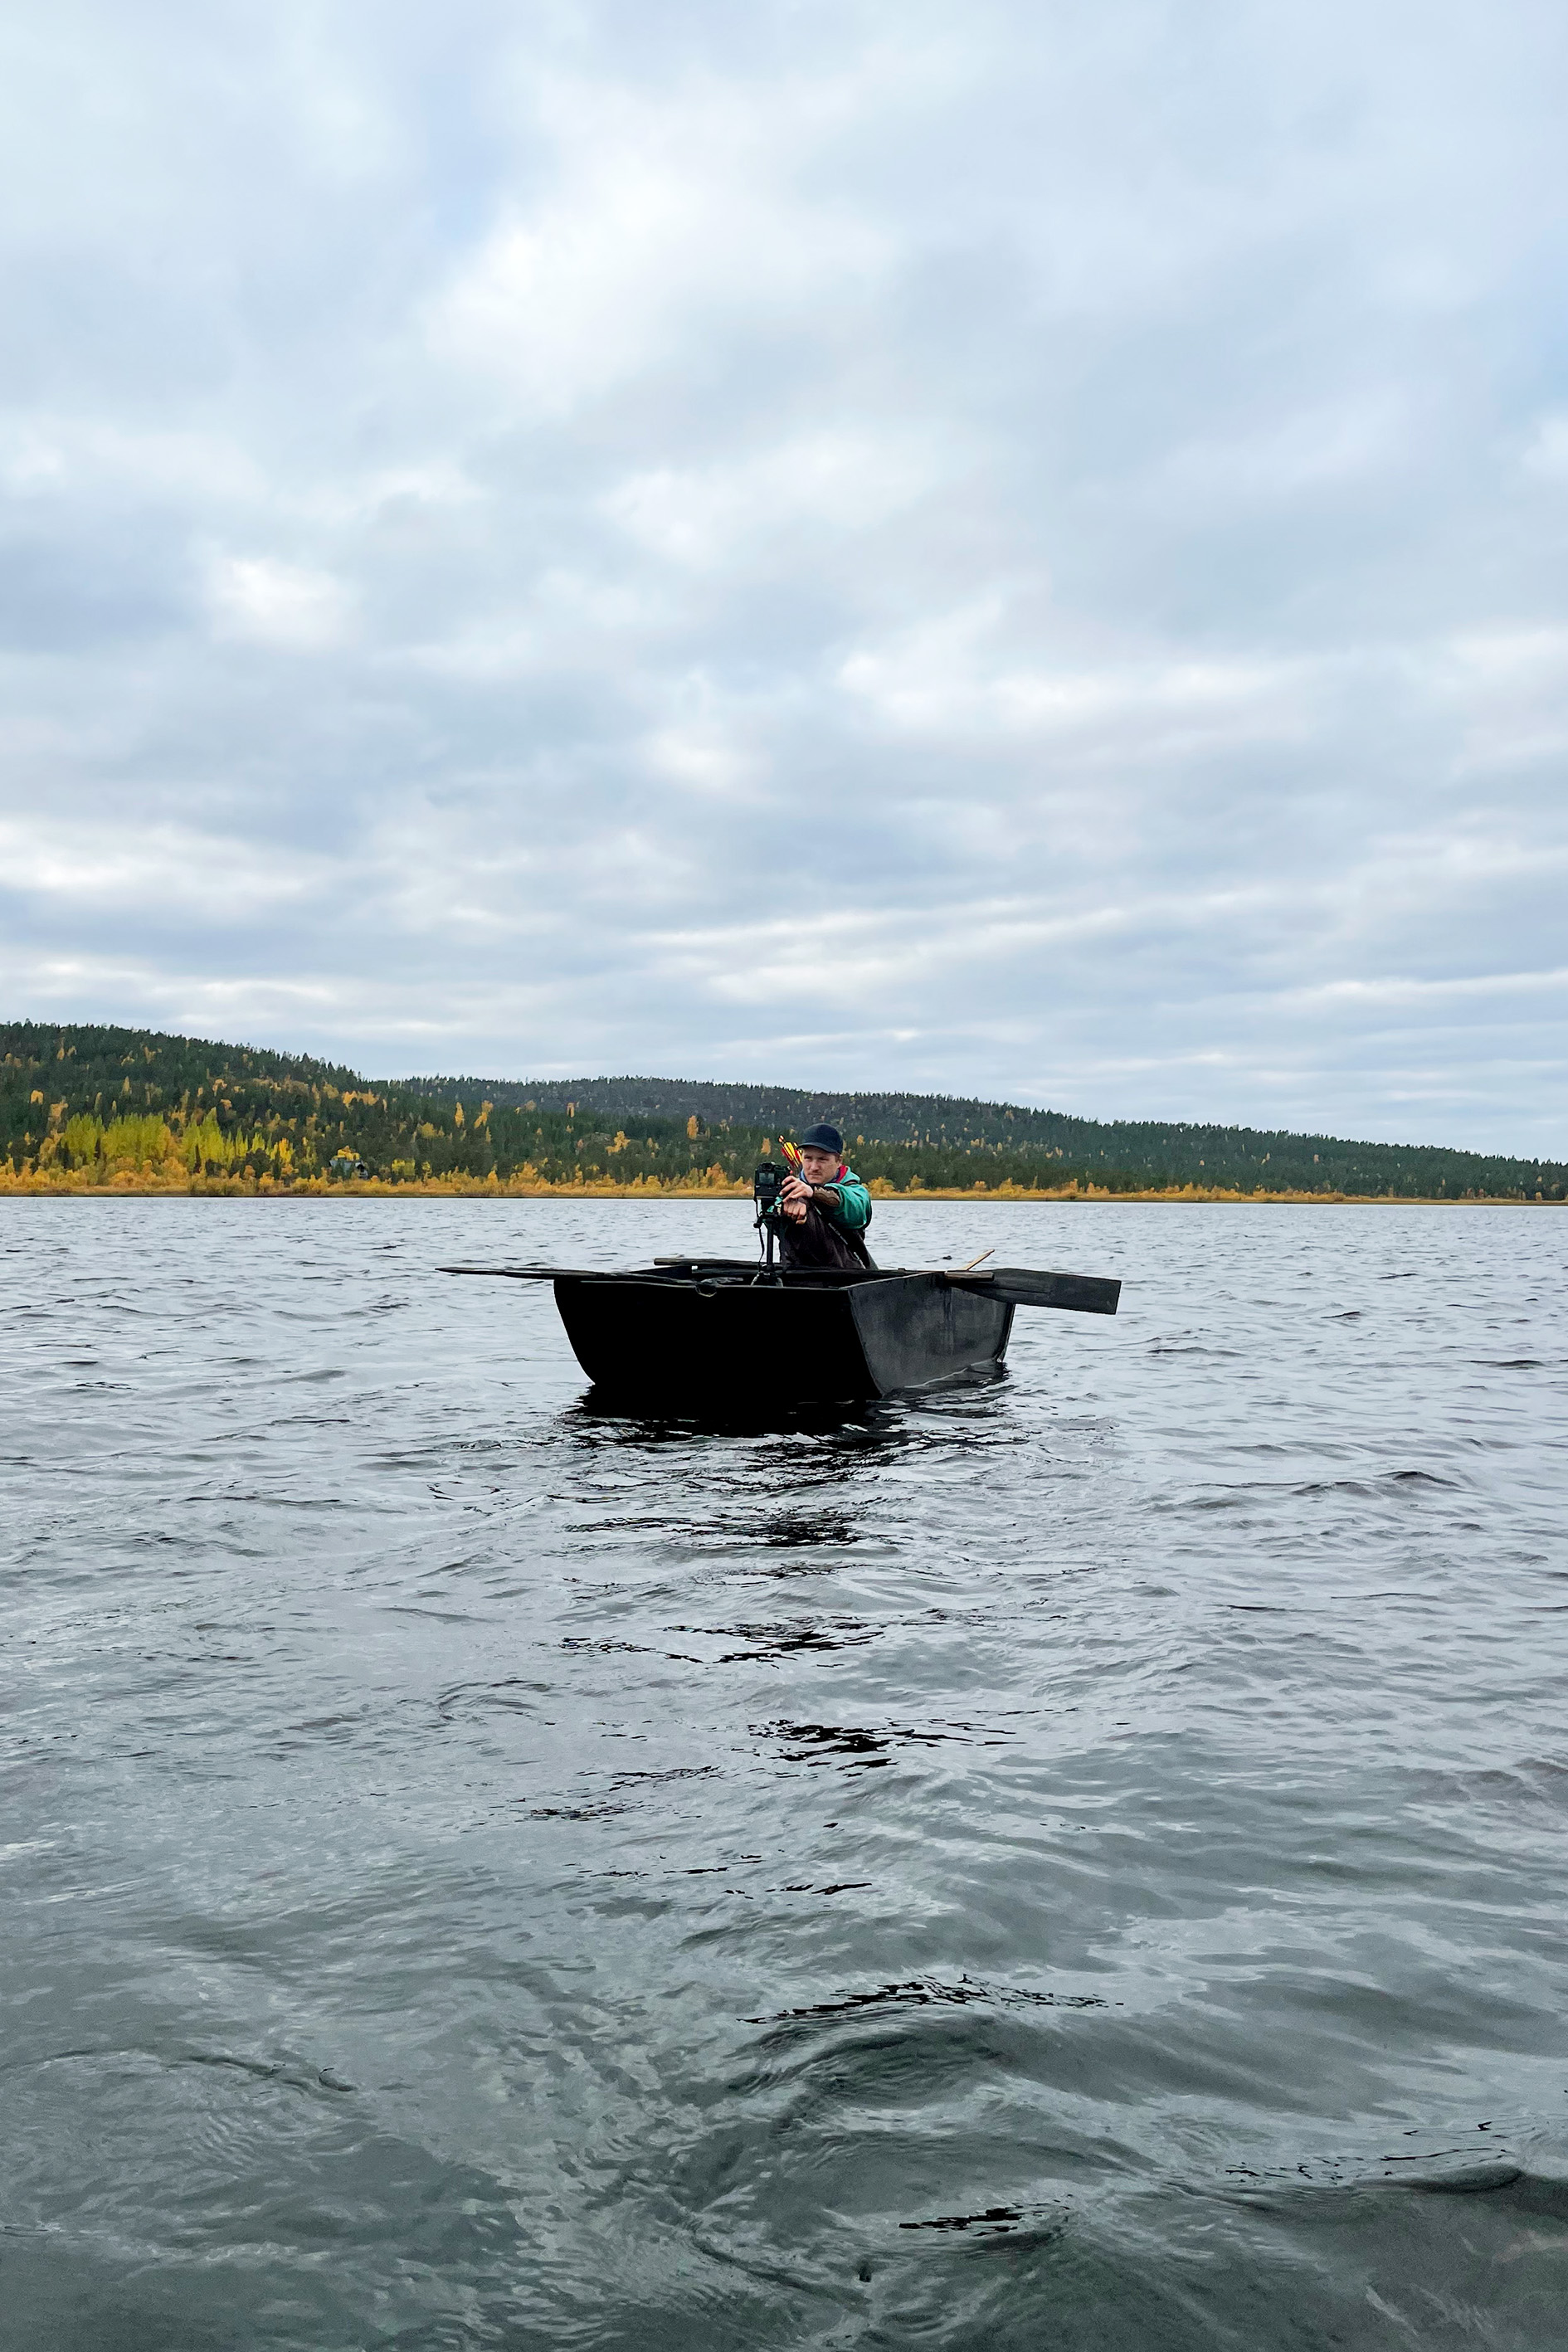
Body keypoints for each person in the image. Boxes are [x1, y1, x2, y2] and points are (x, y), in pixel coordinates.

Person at [774, 1123, 874, 1269]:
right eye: (808, 1158)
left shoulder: (856, 1191)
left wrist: (814, 1193)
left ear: (839, 1161)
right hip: (794, 1280)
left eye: (822, 1159)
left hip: (847, 1280)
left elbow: (856, 1208)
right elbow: (770, 1214)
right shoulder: (789, 1191)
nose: (814, 1167)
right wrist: (785, 1209)